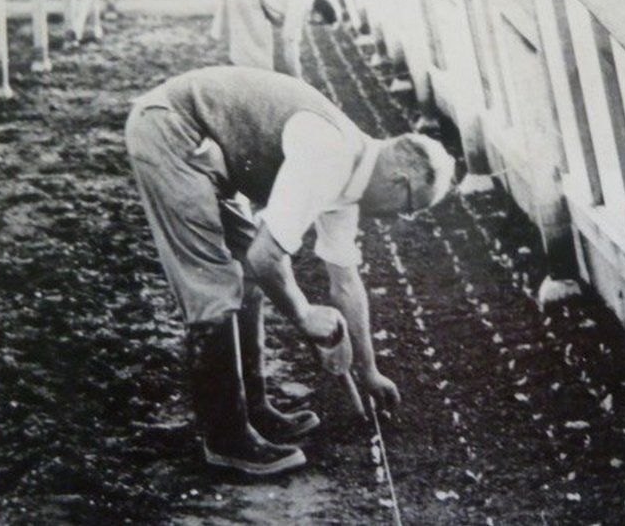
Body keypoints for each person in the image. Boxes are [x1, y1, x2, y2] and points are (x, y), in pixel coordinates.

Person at [124, 66, 456, 475]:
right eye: (408, 210)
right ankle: (226, 439)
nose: (394, 220)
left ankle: (255, 409)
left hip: (204, 146)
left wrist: (369, 371)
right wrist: (303, 314)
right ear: (400, 181)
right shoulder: (331, 156)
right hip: (171, 131)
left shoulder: (353, 176)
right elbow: (266, 258)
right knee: (214, 282)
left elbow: (345, 281)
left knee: (246, 273)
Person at [221, 0, 340, 78]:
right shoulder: (302, 3)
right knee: (257, 53)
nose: (316, 23)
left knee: (257, 48)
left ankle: (244, 74)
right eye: (321, 21)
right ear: (320, 15)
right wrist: (297, 78)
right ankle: (249, 79)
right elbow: (289, 41)